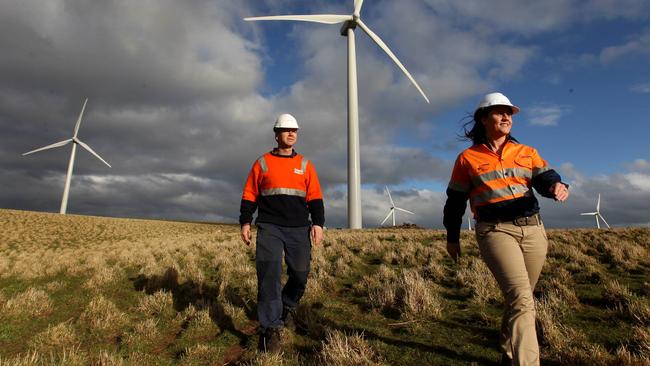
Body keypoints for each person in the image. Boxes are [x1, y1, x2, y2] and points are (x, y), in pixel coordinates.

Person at [443, 92, 569, 366]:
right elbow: (454, 202)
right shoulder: (467, 159)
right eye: (500, 112)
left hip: (534, 231)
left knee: (519, 299)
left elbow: (545, 177)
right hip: (496, 232)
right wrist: (452, 237)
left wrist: (556, 186)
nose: (506, 117)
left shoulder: (526, 152)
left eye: (509, 113)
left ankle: (508, 350)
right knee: (522, 300)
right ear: (484, 118)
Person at [239, 113, 325, 353]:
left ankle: (287, 307)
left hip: (299, 228)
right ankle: (271, 328)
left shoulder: (305, 165)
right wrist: (246, 222)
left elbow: (315, 197)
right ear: (276, 134)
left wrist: (318, 223)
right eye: (286, 130)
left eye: (294, 130)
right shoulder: (262, 163)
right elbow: (249, 194)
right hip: (269, 226)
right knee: (269, 274)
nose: (291, 133)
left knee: (300, 274)